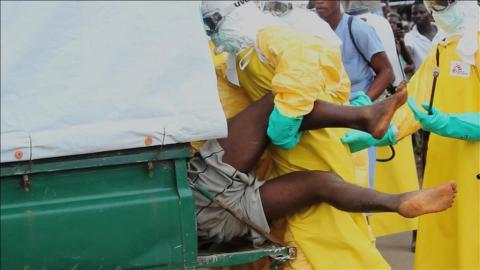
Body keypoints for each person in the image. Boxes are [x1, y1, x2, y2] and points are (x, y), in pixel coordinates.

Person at [200, 1, 425, 269]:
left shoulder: (267, 36)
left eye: (211, 25)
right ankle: (394, 195)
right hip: (288, 151)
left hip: (305, 145)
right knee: (317, 224)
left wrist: (285, 116)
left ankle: (370, 127)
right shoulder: (241, 54)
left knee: (318, 232)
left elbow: (306, 68)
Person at [191, 87, 457, 248]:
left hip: (210, 220)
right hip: (197, 201)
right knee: (279, 101)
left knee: (321, 183)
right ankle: (365, 117)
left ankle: (399, 201)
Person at [342, 1, 479, 268]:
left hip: (474, 168)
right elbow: (414, 103)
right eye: (432, 4)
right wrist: (382, 129)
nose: (435, 11)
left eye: (441, 3)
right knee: (444, 245)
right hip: (444, 166)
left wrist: (453, 123)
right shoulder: (443, 48)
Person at [403, 0, 446, 74]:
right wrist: (401, 43)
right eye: (414, 13)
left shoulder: (444, 30)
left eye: (422, 12)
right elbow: (408, 53)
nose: (418, 15)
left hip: (447, 77)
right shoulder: (409, 37)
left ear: (429, 13)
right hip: (424, 82)